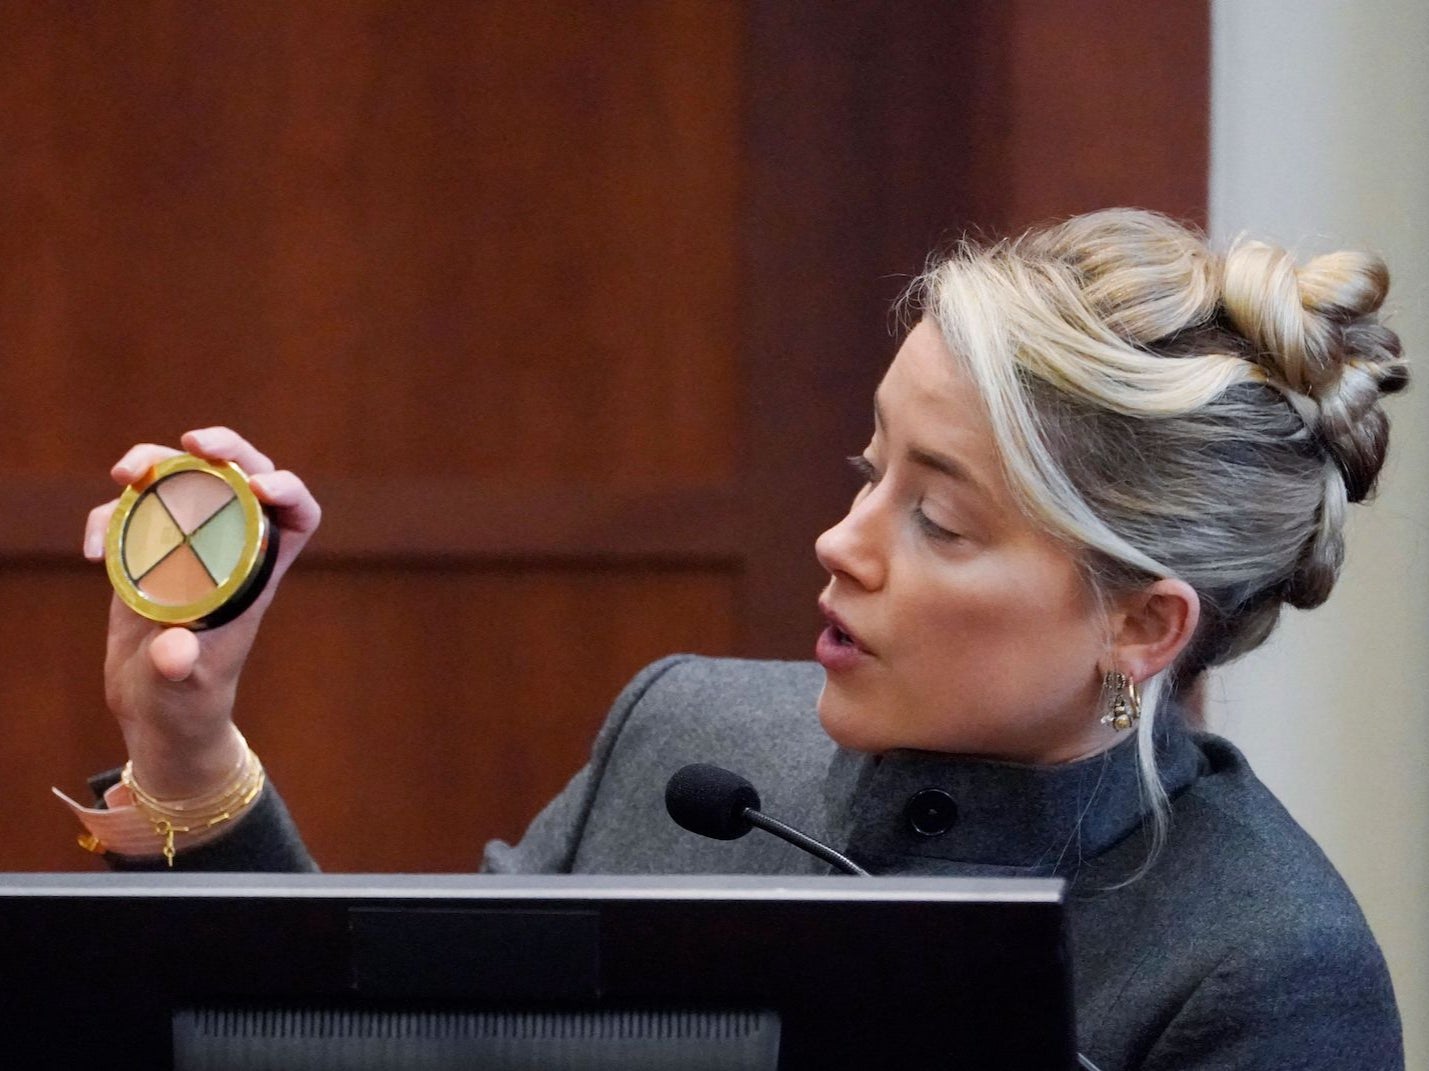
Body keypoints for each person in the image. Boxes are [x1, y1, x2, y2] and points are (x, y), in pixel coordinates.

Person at [65, 209, 1406, 1069]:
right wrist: (184, 756)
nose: (842, 541)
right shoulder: (685, 740)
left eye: (936, 518)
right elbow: (363, 1047)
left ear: (1138, 623)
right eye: (867, 468)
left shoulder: (1262, 973)